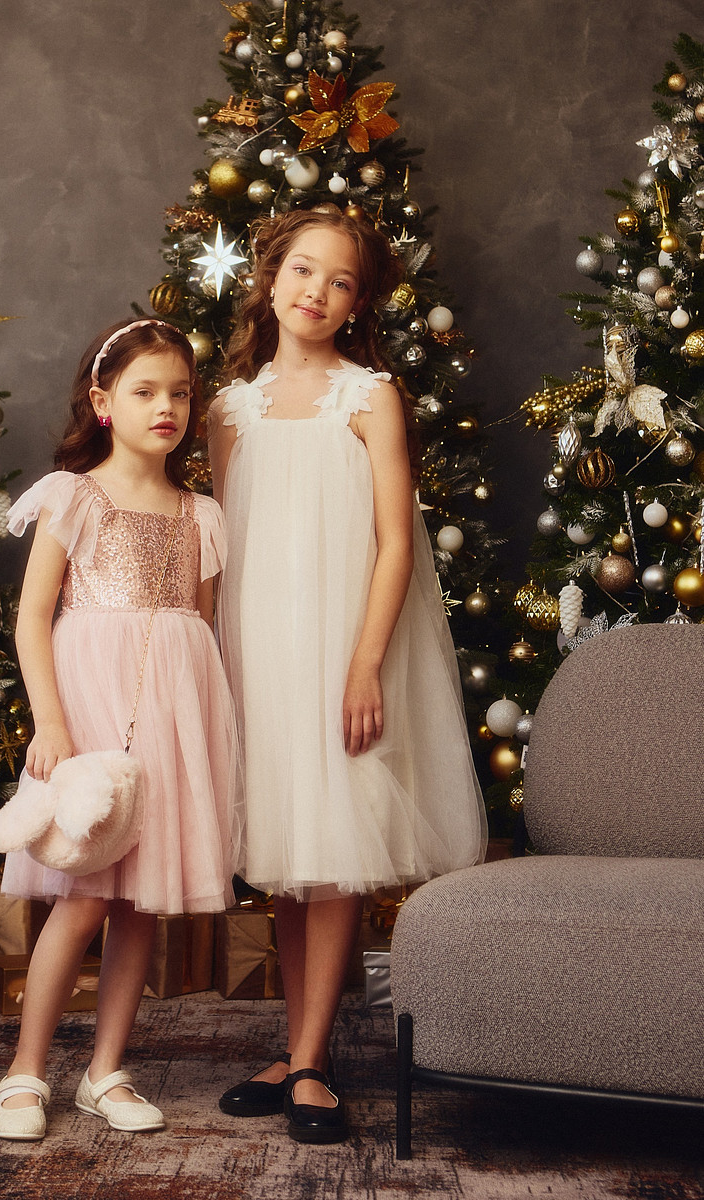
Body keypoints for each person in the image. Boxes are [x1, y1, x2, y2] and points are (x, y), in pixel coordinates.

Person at [208, 208, 486, 1144]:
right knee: (290, 858)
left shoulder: (368, 398)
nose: (315, 292)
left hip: (339, 649)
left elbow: (396, 541)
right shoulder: (230, 409)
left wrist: (365, 664)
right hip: (259, 651)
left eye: (339, 282)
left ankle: (310, 1061)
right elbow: (222, 541)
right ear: (270, 277)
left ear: (359, 303)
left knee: (332, 854)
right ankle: (301, 1049)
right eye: (302, 270)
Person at [0, 318, 240, 1142]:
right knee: (85, 894)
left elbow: (196, 624)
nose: (166, 407)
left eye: (180, 393)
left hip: (172, 712)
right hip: (88, 708)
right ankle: (25, 1072)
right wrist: (51, 724)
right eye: (145, 391)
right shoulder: (75, 497)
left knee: (141, 901)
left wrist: (202, 726)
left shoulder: (201, 513)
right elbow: (33, 619)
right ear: (103, 403)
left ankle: (105, 1072)